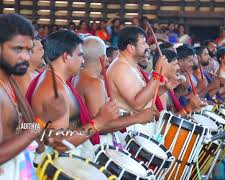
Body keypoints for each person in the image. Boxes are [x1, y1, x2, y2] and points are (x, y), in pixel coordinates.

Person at [26, 30, 123, 157]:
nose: (83, 61)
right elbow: (58, 143)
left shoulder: (55, 80)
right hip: (57, 163)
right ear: (66, 56)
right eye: (79, 55)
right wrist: (98, 122)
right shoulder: (55, 92)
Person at [0, 13, 66, 179]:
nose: (25, 57)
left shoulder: (8, 81)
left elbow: (15, 129)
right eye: (18, 49)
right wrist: (42, 120)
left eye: (29, 50)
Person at [73, 36, 157, 147]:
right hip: (98, 146)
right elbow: (102, 126)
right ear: (103, 58)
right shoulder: (94, 83)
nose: (107, 60)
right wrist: (137, 118)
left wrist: (127, 115)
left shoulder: (78, 77)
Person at [107, 26, 169, 137]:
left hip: (139, 129)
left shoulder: (132, 65)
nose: (147, 46)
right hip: (130, 132)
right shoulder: (121, 68)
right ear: (130, 47)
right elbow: (137, 104)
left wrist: (164, 88)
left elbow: (144, 96)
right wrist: (157, 72)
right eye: (144, 43)